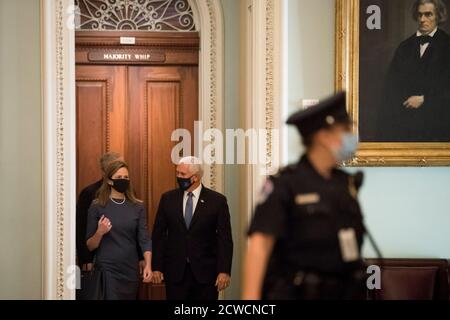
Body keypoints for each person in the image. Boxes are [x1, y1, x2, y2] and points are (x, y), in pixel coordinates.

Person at [243, 92, 367, 300]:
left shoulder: (344, 183)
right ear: (324, 137)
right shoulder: (284, 184)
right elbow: (260, 246)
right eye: (345, 130)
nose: (352, 137)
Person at [151, 156, 233, 300]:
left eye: (182, 174)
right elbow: (159, 235)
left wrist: (224, 271)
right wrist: (156, 267)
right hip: (175, 273)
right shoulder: (167, 199)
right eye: (177, 173)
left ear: (195, 177)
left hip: (206, 274)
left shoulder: (217, 201)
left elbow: (224, 239)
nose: (178, 177)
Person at [380, 0, 450, 141]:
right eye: (419, 15)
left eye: (428, 14)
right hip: (406, 125)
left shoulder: (447, 45)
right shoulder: (404, 47)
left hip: (437, 126)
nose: (422, 19)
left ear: (438, 16)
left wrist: (425, 99)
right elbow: (391, 86)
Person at [86, 160, 153, 300]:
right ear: (109, 181)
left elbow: (144, 239)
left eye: (126, 178)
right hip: (107, 269)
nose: (123, 181)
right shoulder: (97, 206)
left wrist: (148, 265)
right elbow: (90, 245)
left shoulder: (137, 206)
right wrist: (100, 232)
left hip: (130, 269)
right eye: (119, 178)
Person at [76, 152, 121, 272]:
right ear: (104, 171)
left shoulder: (127, 192)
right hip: (97, 258)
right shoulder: (89, 193)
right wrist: (86, 259)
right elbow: (81, 229)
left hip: (123, 259)